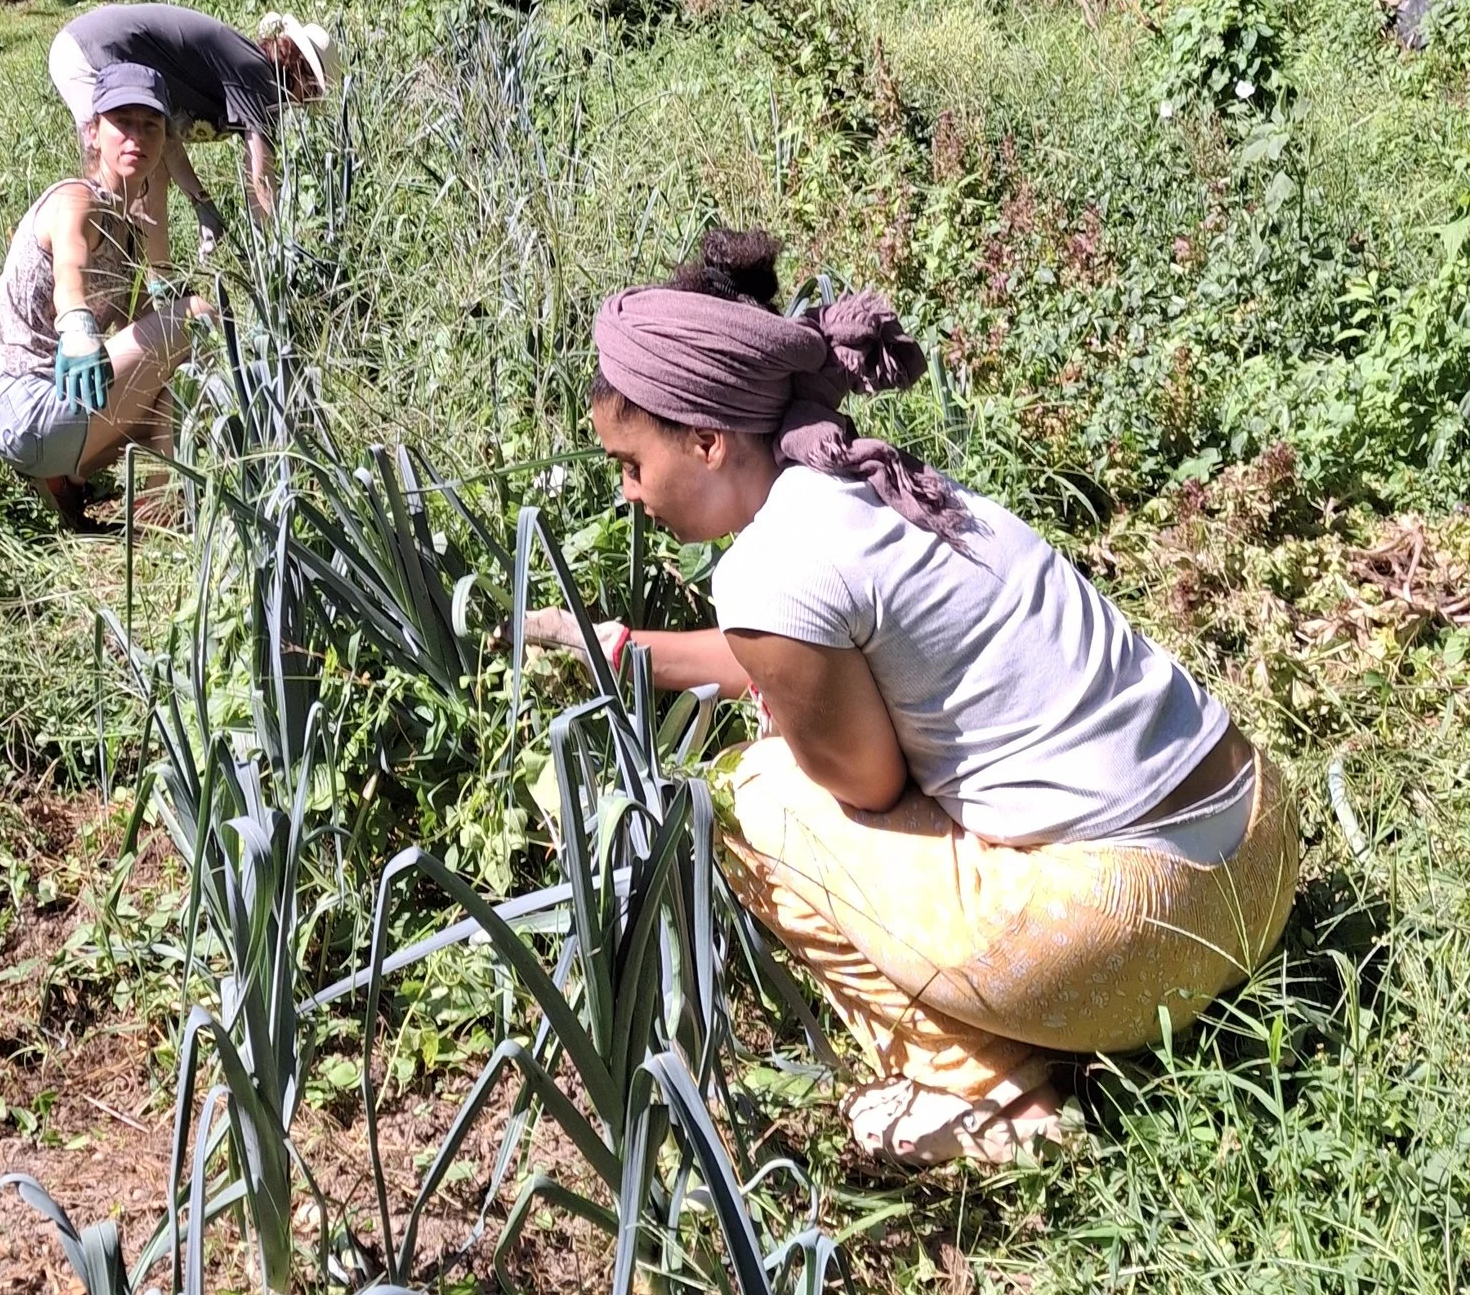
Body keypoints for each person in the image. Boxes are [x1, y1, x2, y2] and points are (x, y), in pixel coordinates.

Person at [530, 227, 1297, 1169]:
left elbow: (870, 784)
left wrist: (799, 727)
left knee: (744, 799)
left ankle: (989, 1091)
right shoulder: (857, 485)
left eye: (632, 464)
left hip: (1140, 933)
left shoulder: (772, 567)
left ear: (706, 438)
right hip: (1258, 854)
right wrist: (620, 647)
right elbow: (788, 655)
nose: (628, 494)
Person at [0, 63, 203, 528]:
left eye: (150, 124)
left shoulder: (129, 225)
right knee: (196, 316)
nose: (137, 136)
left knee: (183, 366)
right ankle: (158, 506)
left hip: (50, 410)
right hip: (23, 400)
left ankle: (73, 483)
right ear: (93, 133)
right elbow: (70, 265)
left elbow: (150, 343)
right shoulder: (77, 199)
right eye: (122, 122)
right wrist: (77, 326)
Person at [45, 2, 340, 237]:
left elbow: (166, 140)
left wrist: (203, 205)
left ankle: (160, 285)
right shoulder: (258, 77)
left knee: (151, 170)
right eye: (312, 93)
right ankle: (100, 279)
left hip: (85, 47)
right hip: (92, 53)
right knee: (118, 179)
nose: (303, 105)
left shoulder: (247, 72)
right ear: (300, 72)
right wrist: (269, 251)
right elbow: (261, 173)